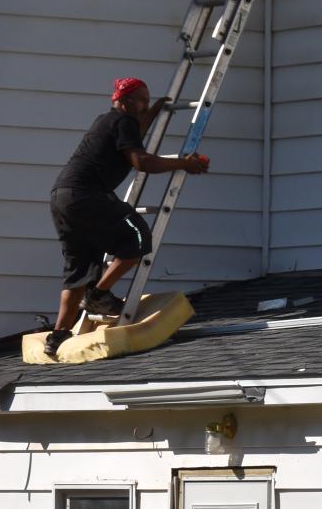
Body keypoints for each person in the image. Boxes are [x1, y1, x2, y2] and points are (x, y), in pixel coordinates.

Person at [44, 77, 210, 358]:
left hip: (62, 198)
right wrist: (185, 164)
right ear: (122, 102)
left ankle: (58, 335)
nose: (144, 104)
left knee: (78, 270)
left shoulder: (109, 121)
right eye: (140, 100)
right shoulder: (123, 122)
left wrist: (155, 110)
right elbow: (141, 162)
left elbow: (134, 137)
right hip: (87, 195)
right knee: (138, 238)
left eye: (147, 99)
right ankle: (98, 296)